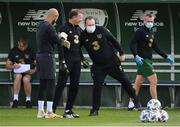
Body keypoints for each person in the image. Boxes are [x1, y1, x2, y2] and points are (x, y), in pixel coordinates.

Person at [80, 16, 140, 116]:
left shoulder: (102, 30)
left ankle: (135, 100)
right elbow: (77, 48)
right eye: (89, 25)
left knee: (125, 81)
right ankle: (95, 110)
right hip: (98, 66)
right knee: (97, 87)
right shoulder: (83, 36)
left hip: (112, 62)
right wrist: (82, 59)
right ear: (85, 25)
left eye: (93, 24)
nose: (91, 26)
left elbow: (113, 40)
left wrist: (121, 53)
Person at [128, 14, 174, 110]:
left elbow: (155, 47)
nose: (150, 23)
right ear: (144, 21)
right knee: (154, 80)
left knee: (138, 82)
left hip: (148, 60)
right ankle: (156, 104)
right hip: (143, 60)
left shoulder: (152, 32)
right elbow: (132, 43)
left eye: (152, 21)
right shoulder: (140, 31)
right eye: (148, 21)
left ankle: (131, 104)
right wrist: (135, 55)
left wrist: (166, 57)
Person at [53, 9, 88, 118]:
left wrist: (82, 59)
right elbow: (60, 45)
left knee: (75, 85)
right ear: (73, 17)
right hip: (67, 60)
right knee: (61, 84)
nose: (81, 19)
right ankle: (51, 109)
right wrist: (62, 61)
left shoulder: (78, 29)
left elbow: (78, 47)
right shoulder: (64, 28)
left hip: (77, 61)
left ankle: (68, 110)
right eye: (80, 17)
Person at [36, 8, 67, 118]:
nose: (56, 20)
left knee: (43, 83)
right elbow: (58, 41)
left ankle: (40, 111)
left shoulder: (40, 25)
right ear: (55, 16)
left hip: (40, 56)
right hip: (48, 57)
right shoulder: (49, 26)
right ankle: (49, 112)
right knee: (51, 83)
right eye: (56, 18)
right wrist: (62, 38)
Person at [5, 35, 36, 108]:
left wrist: (33, 70)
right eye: (21, 46)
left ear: (27, 45)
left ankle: (28, 100)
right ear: (18, 43)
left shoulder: (30, 51)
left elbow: (37, 64)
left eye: (24, 46)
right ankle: (15, 100)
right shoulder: (13, 50)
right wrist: (13, 66)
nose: (23, 48)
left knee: (25, 79)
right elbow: (7, 65)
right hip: (17, 72)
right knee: (18, 76)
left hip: (28, 73)